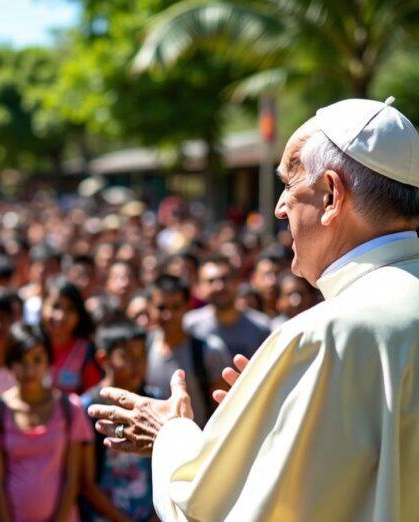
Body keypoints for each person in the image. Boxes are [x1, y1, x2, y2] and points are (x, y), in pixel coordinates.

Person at [88, 97, 419, 520]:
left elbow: (214, 510)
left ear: (332, 195)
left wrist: (169, 432)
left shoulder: (322, 336)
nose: (280, 207)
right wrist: (274, 413)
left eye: (289, 184)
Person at [0, 322, 92, 522]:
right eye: (21, 361)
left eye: (37, 359)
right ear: (9, 363)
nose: (29, 368)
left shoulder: (71, 409)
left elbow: (72, 478)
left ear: (49, 361)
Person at [80, 321, 157, 522]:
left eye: (142, 356)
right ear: (103, 359)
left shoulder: (153, 402)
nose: (137, 364)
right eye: (128, 356)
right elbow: (85, 481)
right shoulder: (88, 407)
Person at [145, 274, 230, 427]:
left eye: (176, 307)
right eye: (161, 308)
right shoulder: (144, 348)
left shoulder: (210, 351)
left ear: (187, 307)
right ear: (150, 308)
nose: (168, 315)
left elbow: (224, 409)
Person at [184, 255, 271, 359]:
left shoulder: (262, 327)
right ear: (199, 287)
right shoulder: (190, 326)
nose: (219, 287)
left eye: (224, 279)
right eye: (211, 281)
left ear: (237, 282)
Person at [41, 277, 102, 395]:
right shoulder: (31, 344)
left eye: (70, 309)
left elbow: (91, 397)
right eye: (55, 307)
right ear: (43, 306)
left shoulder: (87, 352)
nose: (61, 316)